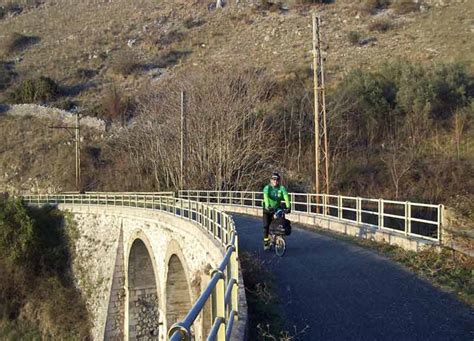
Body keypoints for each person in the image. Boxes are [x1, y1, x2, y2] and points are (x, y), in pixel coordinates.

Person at [262, 172, 291, 250]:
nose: (275, 181)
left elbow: (286, 197)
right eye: (274, 179)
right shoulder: (267, 188)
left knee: (280, 221)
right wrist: (268, 206)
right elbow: (265, 196)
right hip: (267, 209)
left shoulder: (281, 188)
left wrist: (288, 207)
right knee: (266, 226)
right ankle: (266, 242)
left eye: (277, 179)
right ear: (271, 180)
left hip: (277, 208)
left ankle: (278, 237)